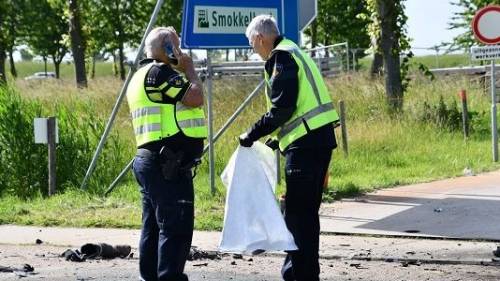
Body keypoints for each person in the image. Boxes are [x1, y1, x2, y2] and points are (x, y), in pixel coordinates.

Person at [239, 15, 340, 281]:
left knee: (297, 217)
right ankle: (299, 272)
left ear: (261, 38)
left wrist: (252, 133)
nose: (253, 50)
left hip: (305, 147)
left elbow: (283, 107)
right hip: (318, 140)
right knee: (306, 215)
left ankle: (302, 275)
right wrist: (277, 139)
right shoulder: (295, 51)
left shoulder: (280, 58)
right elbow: (301, 107)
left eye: (252, 44)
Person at [126, 26, 206, 281]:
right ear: (168, 49)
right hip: (167, 163)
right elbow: (195, 98)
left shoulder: (140, 75)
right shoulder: (160, 72)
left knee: (152, 226)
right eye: (177, 46)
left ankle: (150, 276)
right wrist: (189, 69)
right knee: (176, 226)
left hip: (150, 160)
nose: (181, 51)